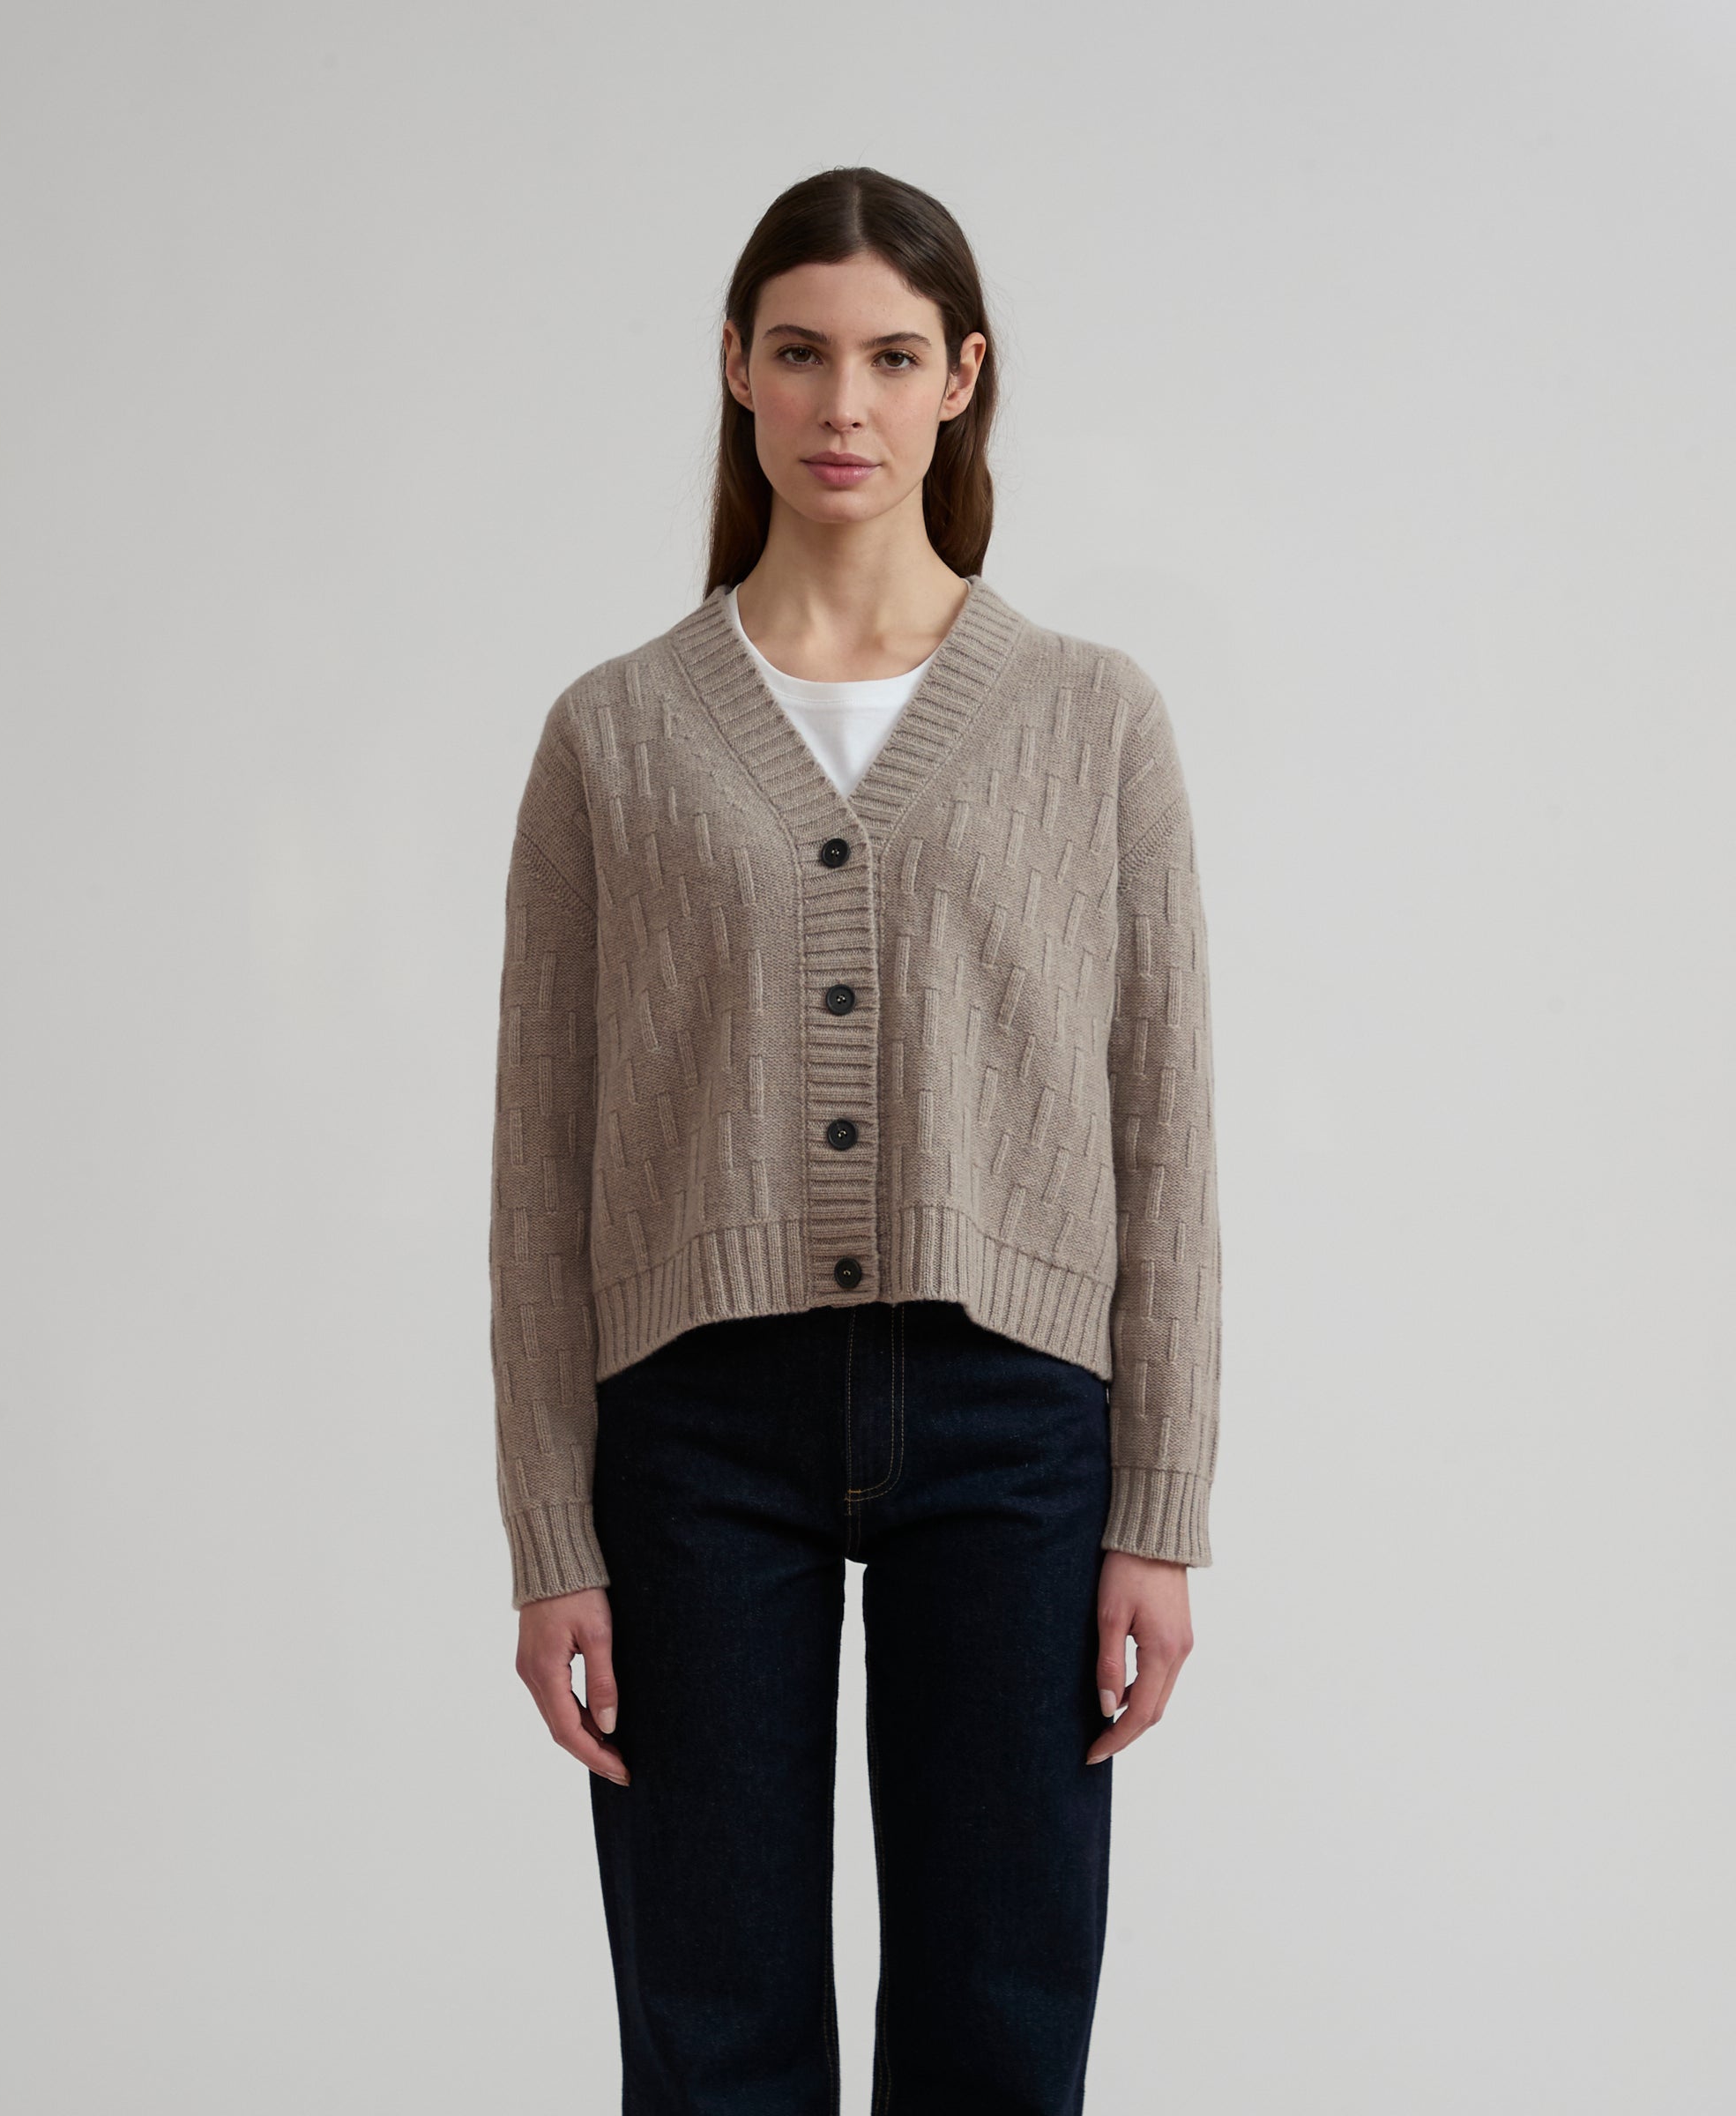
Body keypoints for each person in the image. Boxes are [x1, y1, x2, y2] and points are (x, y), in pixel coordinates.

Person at [488, 164, 1223, 2113]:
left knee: (1000, 2021)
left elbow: (1163, 1132)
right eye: (801, 353)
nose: (844, 405)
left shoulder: (1093, 720)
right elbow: (540, 1169)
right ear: (735, 367)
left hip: (1014, 1425)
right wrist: (551, 1533)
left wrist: (1157, 1505)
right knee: (710, 2030)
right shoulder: (612, 736)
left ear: (961, 379)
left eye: (893, 359)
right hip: (692, 1434)